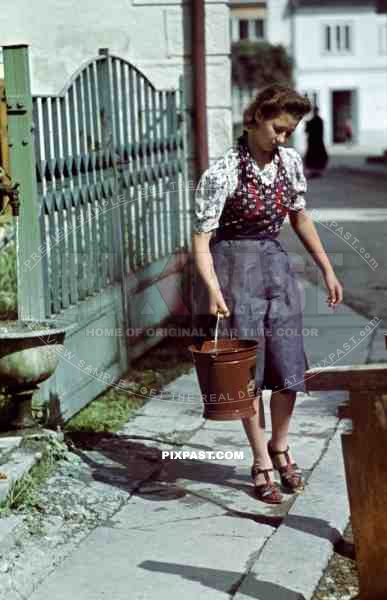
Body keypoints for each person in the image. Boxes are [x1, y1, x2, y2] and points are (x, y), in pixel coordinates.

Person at [192, 84, 343, 504]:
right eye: (277, 129)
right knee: (247, 373)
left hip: (275, 268)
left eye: (289, 132)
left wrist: (327, 269)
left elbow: (299, 217)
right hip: (234, 270)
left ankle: (281, 444)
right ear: (255, 117)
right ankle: (260, 461)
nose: (282, 138)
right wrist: (213, 289)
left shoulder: (290, 162)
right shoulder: (222, 172)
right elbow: (201, 239)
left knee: (289, 364)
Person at [304, 106, 329, 177]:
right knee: (315, 156)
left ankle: (316, 171)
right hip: (315, 142)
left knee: (317, 156)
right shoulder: (317, 121)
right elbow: (307, 131)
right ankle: (315, 171)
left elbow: (307, 131)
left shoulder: (317, 121)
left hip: (315, 142)